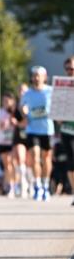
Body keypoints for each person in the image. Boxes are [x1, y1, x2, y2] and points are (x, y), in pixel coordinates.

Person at [21, 65, 55, 200]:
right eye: (33, 75)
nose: (35, 78)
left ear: (44, 77)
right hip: (32, 129)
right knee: (35, 156)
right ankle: (37, 185)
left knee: (46, 157)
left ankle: (46, 185)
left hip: (47, 129)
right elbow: (21, 107)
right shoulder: (27, 93)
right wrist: (23, 112)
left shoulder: (51, 91)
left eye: (38, 75)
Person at [55, 56, 74, 204]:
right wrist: (58, 116)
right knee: (71, 162)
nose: (70, 71)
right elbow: (56, 106)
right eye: (67, 69)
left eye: (72, 68)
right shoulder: (62, 85)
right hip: (67, 129)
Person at [0, 94, 18, 197]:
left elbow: (22, 123)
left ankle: (17, 185)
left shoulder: (15, 112)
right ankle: (10, 187)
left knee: (14, 164)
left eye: (7, 100)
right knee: (7, 165)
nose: (5, 102)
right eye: (4, 100)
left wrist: (15, 122)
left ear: (12, 101)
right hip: (2, 141)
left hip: (13, 141)